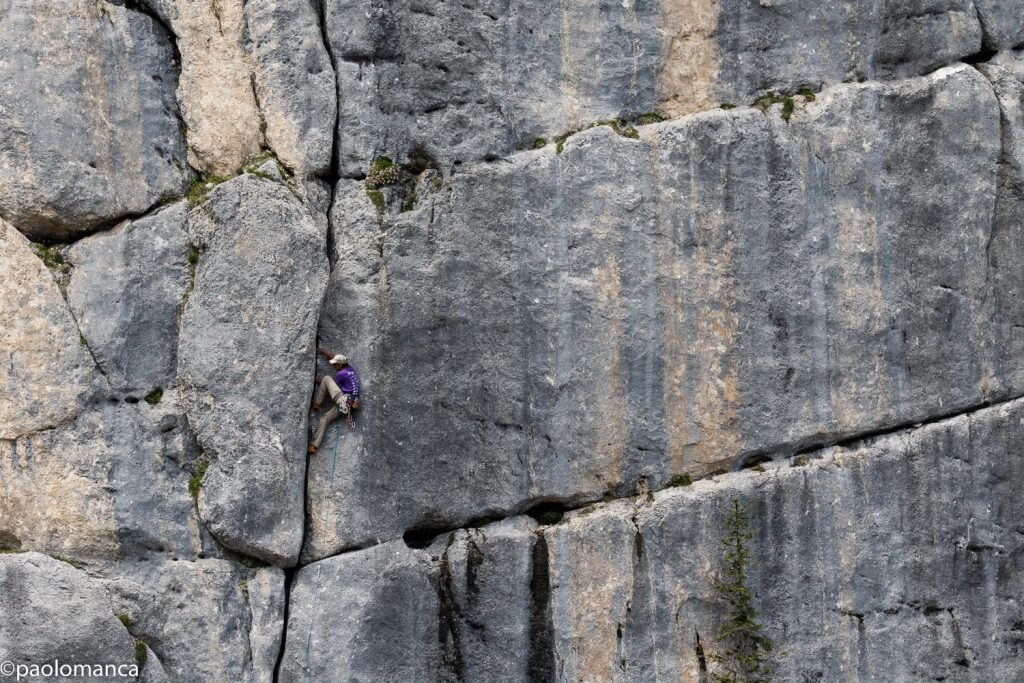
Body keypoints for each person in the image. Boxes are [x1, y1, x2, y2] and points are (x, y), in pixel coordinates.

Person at [308, 347, 361, 454]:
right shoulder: (350, 369)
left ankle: (317, 403)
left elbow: (330, 388)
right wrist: (324, 352)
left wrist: (318, 381)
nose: (334, 366)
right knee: (324, 419)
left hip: (342, 400)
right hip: (347, 406)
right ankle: (314, 446)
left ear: (341, 365)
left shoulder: (340, 374)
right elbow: (334, 358)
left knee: (327, 378)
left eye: (335, 364)